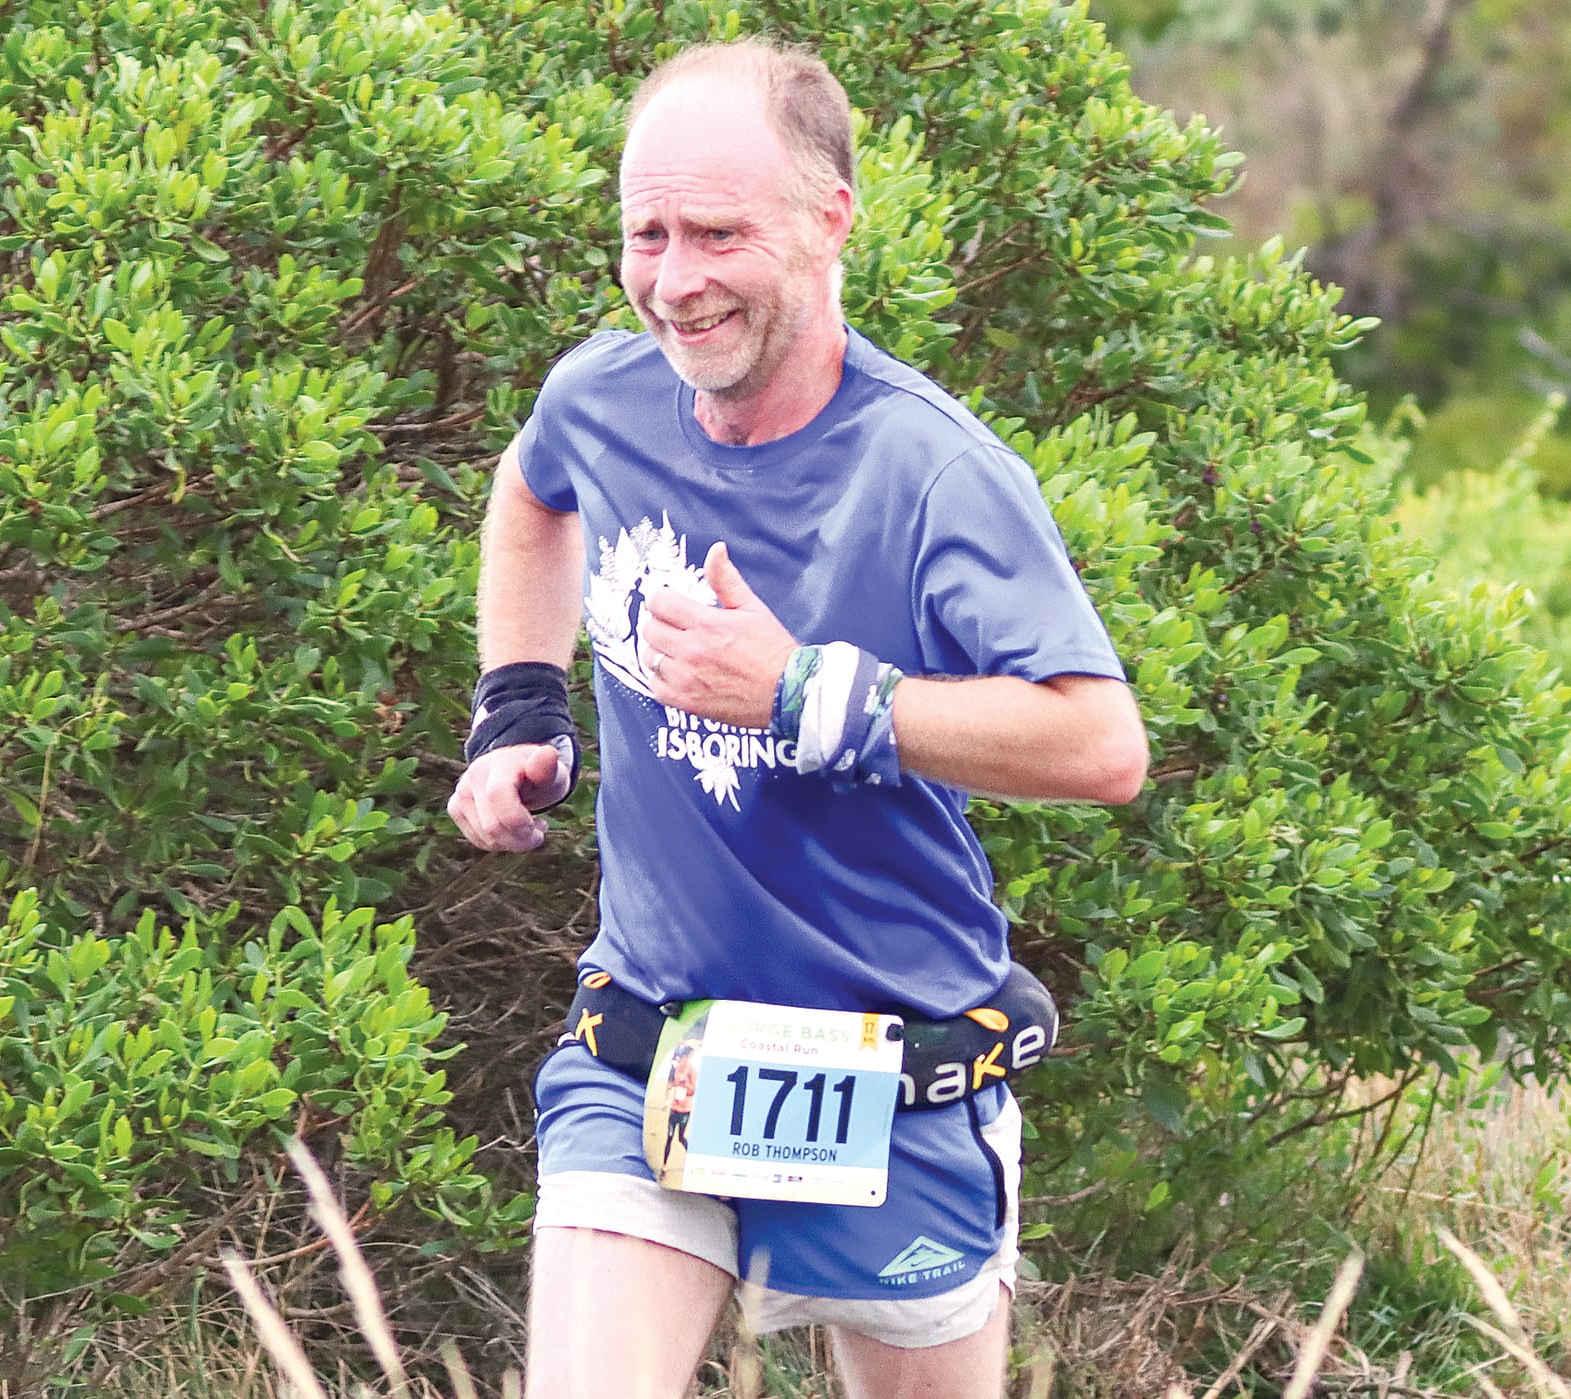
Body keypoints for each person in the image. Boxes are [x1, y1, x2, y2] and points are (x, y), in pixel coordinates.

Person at [447, 37, 1148, 1399]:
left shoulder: (934, 468)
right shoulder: (601, 395)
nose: (674, 279)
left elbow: (1101, 745)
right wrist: (516, 709)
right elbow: (531, 495)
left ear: (832, 221)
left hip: (895, 1082)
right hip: (647, 1045)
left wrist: (808, 692)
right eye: (645, 233)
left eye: (718, 232)